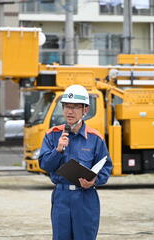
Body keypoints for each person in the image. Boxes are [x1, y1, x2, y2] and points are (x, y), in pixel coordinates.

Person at [39, 84, 113, 240]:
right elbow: (44, 165)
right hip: (61, 196)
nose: (69, 111)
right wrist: (57, 150)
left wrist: (94, 180)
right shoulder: (52, 135)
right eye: (66, 106)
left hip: (85, 197)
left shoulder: (95, 138)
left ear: (85, 110)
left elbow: (106, 167)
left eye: (75, 107)